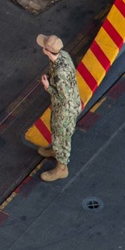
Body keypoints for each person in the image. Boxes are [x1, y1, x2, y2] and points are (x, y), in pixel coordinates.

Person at [36, 33, 80, 182]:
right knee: (56, 131)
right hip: (67, 102)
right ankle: (55, 150)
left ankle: (61, 168)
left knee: (62, 136)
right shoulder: (63, 55)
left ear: (48, 51)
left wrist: (47, 87)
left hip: (65, 108)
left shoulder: (60, 73)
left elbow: (63, 97)